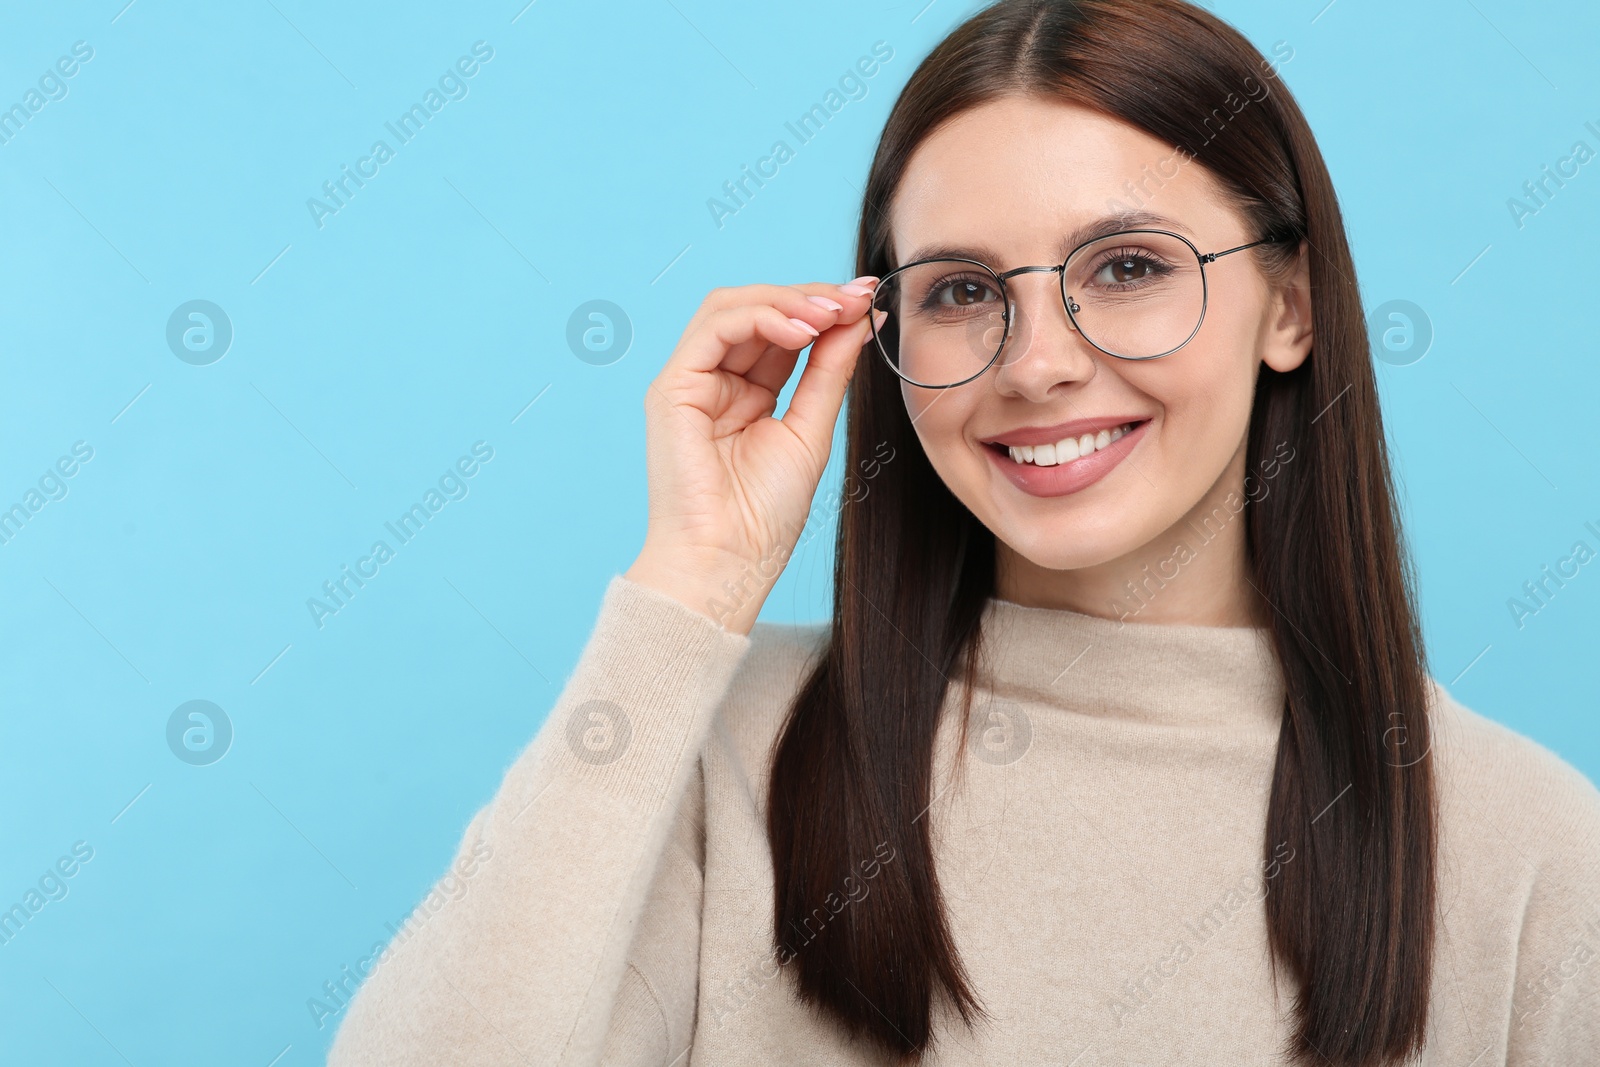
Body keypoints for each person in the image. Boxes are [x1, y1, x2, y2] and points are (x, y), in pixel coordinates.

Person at [327, 0, 1600, 1063]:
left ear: (1291, 307)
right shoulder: (732, 749)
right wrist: (689, 589)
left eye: (1129, 266)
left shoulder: (1530, 848)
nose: (1038, 364)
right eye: (961, 292)